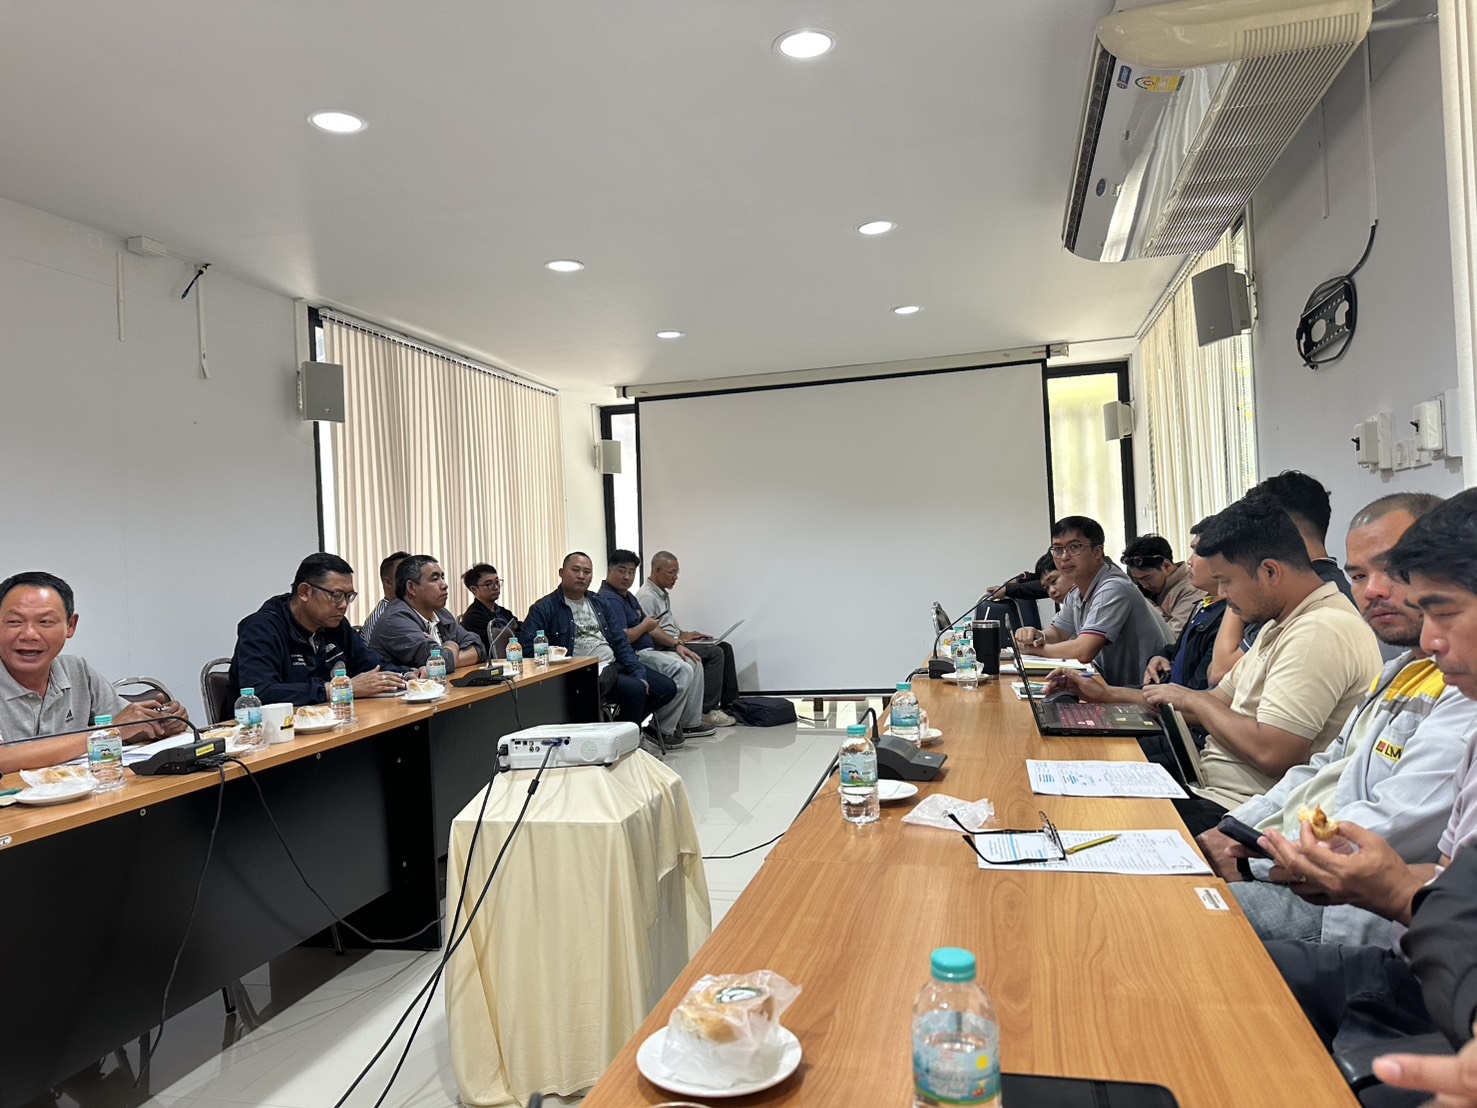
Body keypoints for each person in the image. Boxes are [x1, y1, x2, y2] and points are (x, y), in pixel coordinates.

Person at [1252, 490, 1477, 1053]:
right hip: (1420, 952)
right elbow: (1453, 883)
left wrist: (1395, 888)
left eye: (1443, 610)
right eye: (1358, 574)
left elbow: (1395, 832)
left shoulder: (1461, 699)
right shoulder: (1404, 670)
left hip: (1417, 966)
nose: (1431, 638)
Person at [1196, 494, 1474, 947]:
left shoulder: (1462, 689)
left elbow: (1393, 822)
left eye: (1394, 570)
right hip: (1302, 863)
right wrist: (1235, 830)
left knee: (1180, 921)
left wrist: (1254, 857)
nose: (1373, 590)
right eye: (1358, 576)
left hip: (1343, 907)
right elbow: (1323, 766)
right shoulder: (1402, 669)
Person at [1137, 495, 1383, 835]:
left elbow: (1274, 754)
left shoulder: (1319, 630)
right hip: (1212, 789)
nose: (1222, 594)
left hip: (1243, 811)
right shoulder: (1281, 623)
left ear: (1269, 571)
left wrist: (1194, 700)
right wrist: (1108, 696)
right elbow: (1217, 701)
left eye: (1226, 581)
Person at [0, 571, 187, 773]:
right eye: (14, 622)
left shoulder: (76, 670)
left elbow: (124, 728)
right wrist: (106, 732)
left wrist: (156, 725)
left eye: (45, 622)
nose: (29, 634)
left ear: (70, 626)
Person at [1211, 471, 1352, 683]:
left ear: (1284, 533)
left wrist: (1238, 576)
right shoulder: (1331, 585)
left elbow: (1220, 672)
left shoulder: (1305, 601)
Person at [521, 552, 677, 736]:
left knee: (666, 688)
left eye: (587, 572)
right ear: (561, 572)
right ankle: (626, 737)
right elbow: (528, 647)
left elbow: (620, 642)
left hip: (613, 665)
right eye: (576, 570)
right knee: (636, 689)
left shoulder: (599, 602)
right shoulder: (544, 607)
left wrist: (637, 671)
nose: (581, 576)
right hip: (582, 672)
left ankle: (618, 731)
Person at [229, 553, 414, 707]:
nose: (343, 605)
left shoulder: (336, 625)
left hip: (331, 724)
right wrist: (337, 689)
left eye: (349, 596)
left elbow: (373, 665)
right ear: (304, 592)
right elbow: (260, 693)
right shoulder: (261, 629)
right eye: (336, 595)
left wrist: (407, 675)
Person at [1012, 515, 1172, 689]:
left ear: (1098, 552)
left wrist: (1035, 650)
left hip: (1143, 692)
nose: (1064, 556)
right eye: (1058, 549)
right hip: (1111, 687)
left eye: (1074, 547)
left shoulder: (1113, 588)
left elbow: (1084, 651)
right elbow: (1057, 633)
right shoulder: (1076, 591)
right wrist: (1034, 636)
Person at [597, 550, 712, 746]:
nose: (627, 577)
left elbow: (652, 627)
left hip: (648, 651)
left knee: (692, 661)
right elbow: (623, 638)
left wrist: (677, 644)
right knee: (683, 670)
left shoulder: (628, 597)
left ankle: (686, 723)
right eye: (622, 571)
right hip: (634, 655)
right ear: (610, 570)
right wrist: (645, 627)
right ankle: (661, 729)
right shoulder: (610, 599)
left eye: (631, 572)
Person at [638, 550, 738, 728]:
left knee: (725, 647)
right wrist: (678, 641)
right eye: (672, 573)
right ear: (658, 570)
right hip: (664, 647)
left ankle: (730, 705)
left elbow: (667, 626)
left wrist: (685, 634)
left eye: (677, 572)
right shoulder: (646, 597)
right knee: (715, 653)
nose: (675, 577)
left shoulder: (662, 594)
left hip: (675, 640)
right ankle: (706, 711)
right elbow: (650, 632)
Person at [1144, 519, 1225, 693]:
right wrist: (1160, 656)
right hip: (1169, 692)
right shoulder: (1204, 604)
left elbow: (1200, 690)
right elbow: (1182, 649)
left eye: (1198, 552)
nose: (1189, 561)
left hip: (1180, 703)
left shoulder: (1229, 617)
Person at [369, 555, 485, 673]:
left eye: (442, 577)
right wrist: (452, 645)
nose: (444, 585)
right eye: (435, 579)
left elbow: (479, 648)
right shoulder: (394, 620)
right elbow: (438, 663)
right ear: (411, 588)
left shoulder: (441, 613)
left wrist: (448, 654)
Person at [1122, 534, 1206, 639]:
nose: (1144, 586)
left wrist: (1147, 605)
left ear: (1166, 566)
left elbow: (1173, 637)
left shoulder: (1192, 588)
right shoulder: (1150, 588)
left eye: (1147, 578)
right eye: (1138, 579)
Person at [461, 562, 518, 654]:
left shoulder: (503, 612)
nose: (496, 587)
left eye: (497, 582)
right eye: (489, 584)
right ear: (474, 589)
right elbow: (495, 644)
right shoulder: (473, 617)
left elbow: (522, 629)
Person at [361, 550, 410, 642]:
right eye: (405, 577)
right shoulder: (383, 619)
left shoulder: (409, 610)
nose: (412, 582)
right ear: (388, 583)